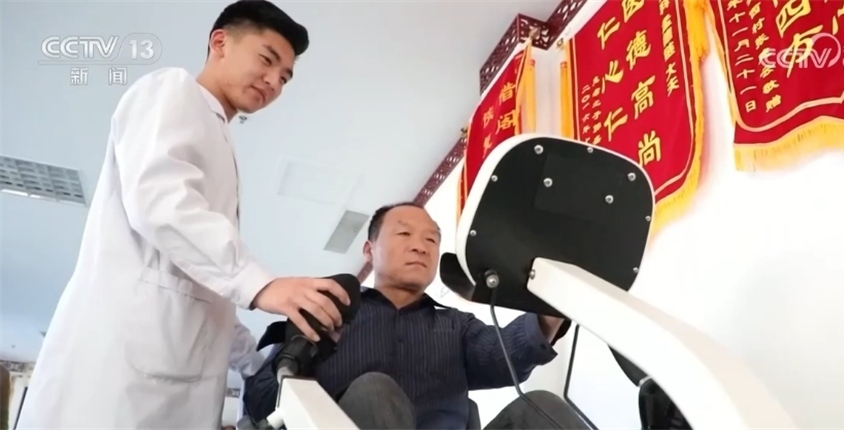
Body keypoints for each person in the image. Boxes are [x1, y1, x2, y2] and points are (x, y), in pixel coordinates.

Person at [16, 1, 352, 428]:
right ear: (220, 43)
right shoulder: (173, 89)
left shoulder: (220, 139)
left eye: (285, 77)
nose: (274, 81)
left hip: (172, 388)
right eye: (267, 60)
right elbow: (160, 201)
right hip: (115, 386)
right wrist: (261, 284)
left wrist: (254, 361)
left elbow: (198, 290)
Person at [243, 202, 591, 430]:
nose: (420, 246)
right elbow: (260, 400)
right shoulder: (328, 310)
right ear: (369, 250)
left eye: (431, 240)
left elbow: (503, 355)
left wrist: (554, 306)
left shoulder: (456, 326)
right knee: (375, 391)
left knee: (541, 408)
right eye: (404, 233)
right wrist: (300, 363)